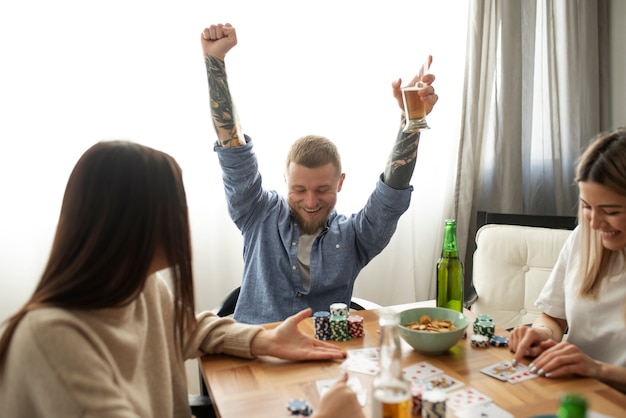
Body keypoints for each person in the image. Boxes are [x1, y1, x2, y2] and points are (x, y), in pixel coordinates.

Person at [0, 141, 365, 418]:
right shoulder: (52, 339)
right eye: (176, 207)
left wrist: (264, 340)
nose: (184, 219)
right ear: (129, 223)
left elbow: (191, 328)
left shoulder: (137, 287)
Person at [201, 23, 439, 324]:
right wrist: (214, 61)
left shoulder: (356, 236)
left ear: (340, 183)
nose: (311, 201)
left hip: (325, 358)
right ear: (285, 181)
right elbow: (232, 147)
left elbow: (391, 194)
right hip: (255, 355)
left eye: (322, 189)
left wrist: (411, 120)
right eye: (299, 190)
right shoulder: (257, 213)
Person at [509, 127, 626, 393]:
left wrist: (596, 368)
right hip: (575, 393)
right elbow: (553, 317)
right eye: (587, 206)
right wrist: (541, 334)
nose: (595, 223)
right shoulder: (583, 238)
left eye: (610, 211)